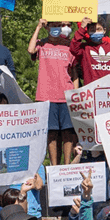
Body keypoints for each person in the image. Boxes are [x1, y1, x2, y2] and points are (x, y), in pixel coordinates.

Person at [27, 18, 79, 166]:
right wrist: (38, 26)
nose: (56, 28)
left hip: (66, 95)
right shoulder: (42, 44)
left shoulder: (69, 46)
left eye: (59, 26)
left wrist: (75, 94)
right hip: (46, 95)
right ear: (47, 28)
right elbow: (30, 50)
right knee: (51, 133)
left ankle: (67, 164)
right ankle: (54, 166)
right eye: (53, 26)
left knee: (68, 133)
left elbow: (74, 71)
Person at [71, 18, 110, 87]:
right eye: (92, 30)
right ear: (88, 32)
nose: (96, 32)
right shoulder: (84, 48)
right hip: (90, 90)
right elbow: (73, 48)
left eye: (99, 29)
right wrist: (82, 28)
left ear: (104, 30)